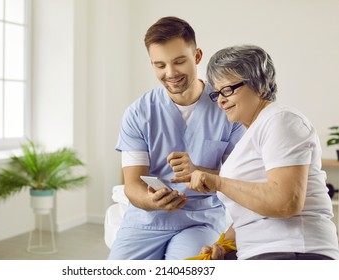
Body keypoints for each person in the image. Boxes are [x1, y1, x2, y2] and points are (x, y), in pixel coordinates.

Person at [172, 45, 339, 260]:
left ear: (258, 85)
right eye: (216, 93)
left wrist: (218, 182)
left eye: (228, 89)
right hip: (264, 252)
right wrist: (223, 245)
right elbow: (251, 215)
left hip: (294, 252)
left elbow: (285, 202)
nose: (221, 100)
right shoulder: (250, 135)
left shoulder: (281, 120)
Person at [108, 16, 245, 260]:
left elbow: (241, 181)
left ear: (197, 56)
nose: (170, 73)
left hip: (200, 220)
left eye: (179, 62)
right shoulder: (138, 113)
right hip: (146, 220)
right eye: (159, 65)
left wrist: (199, 171)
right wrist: (152, 200)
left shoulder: (228, 107)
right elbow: (132, 185)